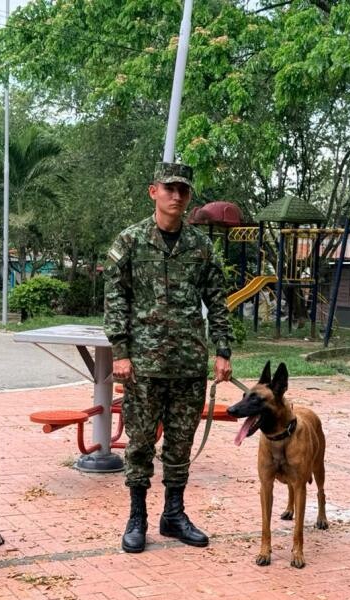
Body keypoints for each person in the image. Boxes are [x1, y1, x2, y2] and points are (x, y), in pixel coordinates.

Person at [104, 161, 233, 554]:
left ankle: (173, 514)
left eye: (184, 191)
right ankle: (137, 517)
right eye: (170, 189)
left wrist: (223, 350)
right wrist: (121, 352)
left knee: (180, 443)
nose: (177, 196)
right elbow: (115, 300)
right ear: (153, 191)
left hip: (188, 363)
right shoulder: (130, 242)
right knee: (140, 443)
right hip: (143, 365)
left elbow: (217, 300)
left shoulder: (200, 246)